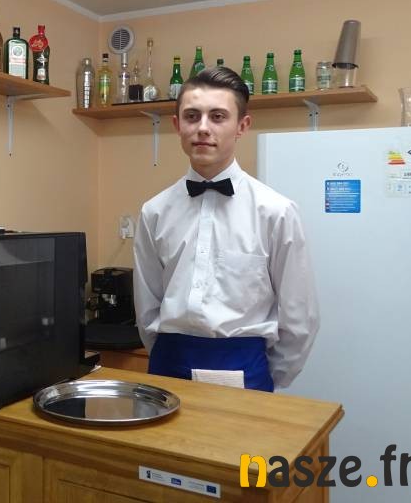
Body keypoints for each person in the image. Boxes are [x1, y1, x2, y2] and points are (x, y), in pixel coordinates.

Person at [133, 66, 318, 392]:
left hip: (245, 368)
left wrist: (271, 377)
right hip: (167, 366)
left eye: (218, 116)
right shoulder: (154, 212)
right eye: (192, 116)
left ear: (242, 126)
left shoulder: (276, 212)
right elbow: (147, 308)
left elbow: (299, 316)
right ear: (177, 125)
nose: (203, 128)